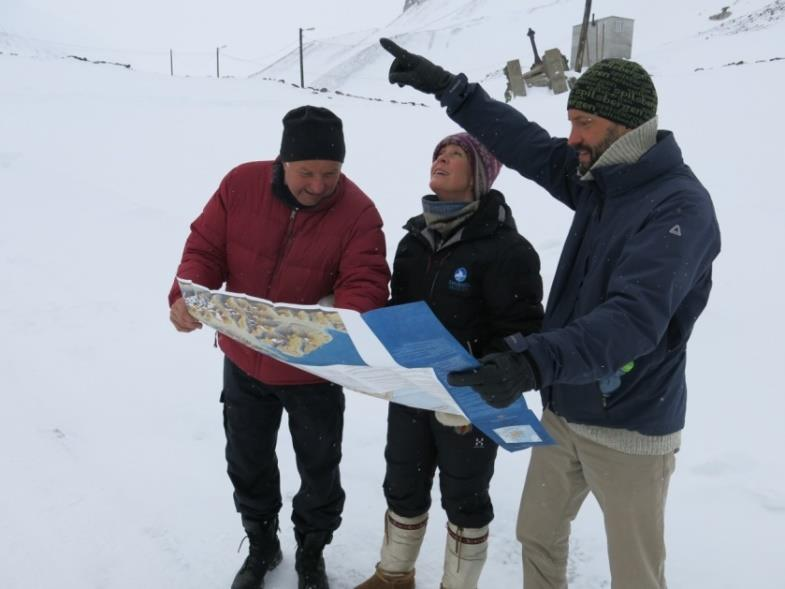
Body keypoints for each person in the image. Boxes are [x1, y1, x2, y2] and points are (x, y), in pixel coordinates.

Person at [379, 39, 721, 589]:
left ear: (625, 126)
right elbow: (524, 144)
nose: (572, 138)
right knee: (537, 538)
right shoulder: (600, 181)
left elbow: (632, 321)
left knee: (635, 572)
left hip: (631, 424)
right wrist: (451, 89)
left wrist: (531, 361)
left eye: (583, 123)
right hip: (566, 408)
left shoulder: (678, 207)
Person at [168, 105, 391, 589]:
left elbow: (367, 282)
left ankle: (312, 552)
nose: (318, 185)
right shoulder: (239, 186)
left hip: (314, 371)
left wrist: (343, 325)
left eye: (330, 174)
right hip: (244, 361)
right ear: (282, 162)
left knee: (319, 469)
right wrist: (187, 299)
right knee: (247, 461)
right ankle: (263, 545)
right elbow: (205, 249)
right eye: (306, 173)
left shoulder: (358, 213)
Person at [356, 132, 544, 589]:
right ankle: (394, 575)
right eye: (439, 152)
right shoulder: (412, 241)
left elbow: (524, 331)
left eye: (455, 154)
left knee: (465, 495)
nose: (441, 158)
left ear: (478, 176)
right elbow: (399, 311)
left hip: (469, 400)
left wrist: (485, 380)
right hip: (412, 390)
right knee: (402, 481)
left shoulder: (507, 249)